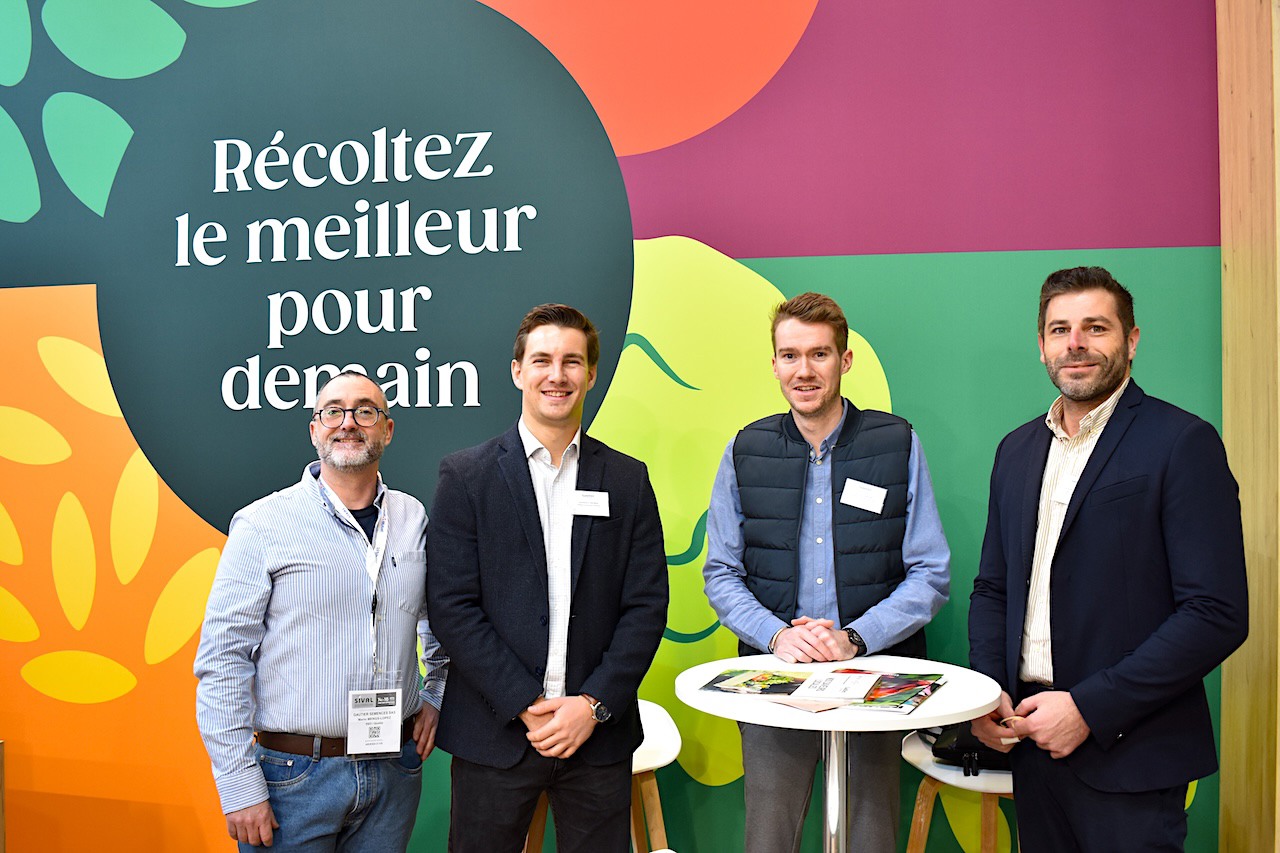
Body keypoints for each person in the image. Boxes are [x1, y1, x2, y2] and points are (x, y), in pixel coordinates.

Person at [968, 266, 1249, 851]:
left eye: (1096, 328)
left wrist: (1088, 709)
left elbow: (1215, 612)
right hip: (1030, 746)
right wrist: (989, 694)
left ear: (1131, 340)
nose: (1075, 343)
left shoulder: (1182, 442)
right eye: (1060, 329)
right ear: (1041, 345)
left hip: (1131, 757)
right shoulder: (1016, 450)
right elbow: (995, 588)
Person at [703, 291, 951, 853]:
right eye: (790, 355)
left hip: (875, 675)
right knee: (769, 839)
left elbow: (929, 573)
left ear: (845, 360)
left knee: (870, 839)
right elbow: (721, 572)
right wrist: (778, 637)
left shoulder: (896, 442)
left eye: (819, 354)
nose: (804, 370)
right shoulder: (745, 449)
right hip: (773, 674)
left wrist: (853, 639)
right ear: (774, 364)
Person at [425, 303, 668, 853]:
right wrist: (525, 702)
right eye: (542, 360)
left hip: (597, 738)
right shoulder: (466, 476)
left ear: (591, 374)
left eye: (571, 361)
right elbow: (452, 606)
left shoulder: (626, 479)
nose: (556, 375)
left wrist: (593, 705)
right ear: (518, 371)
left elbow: (646, 606)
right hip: (496, 734)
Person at [195, 370, 447, 851]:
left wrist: (435, 693)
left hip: (394, 771)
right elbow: (223, 658)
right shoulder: (263, 523)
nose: (348, 422)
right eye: (333, 411)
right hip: (293, 777)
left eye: (365, 411)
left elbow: (441, 618)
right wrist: (238, 783)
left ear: (387, 429)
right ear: (315, 429)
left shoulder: (412, 517)